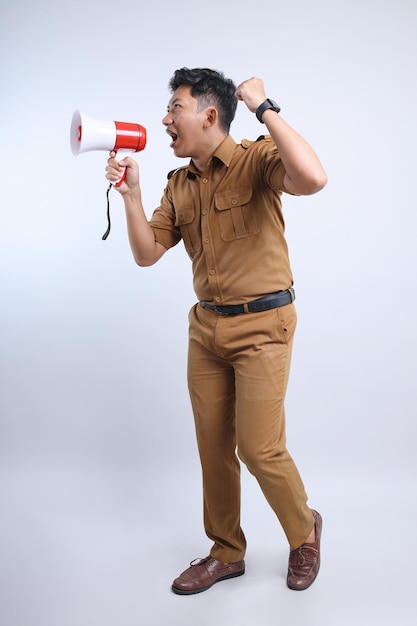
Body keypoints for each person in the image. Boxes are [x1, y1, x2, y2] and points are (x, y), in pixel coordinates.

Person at [106, 67, 327, 594]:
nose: (165, 119)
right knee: (213, 447)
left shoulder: (256, 160)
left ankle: (304, 532)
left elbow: (314, 179)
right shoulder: (179, 184)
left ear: (210, 114)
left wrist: (264, 107)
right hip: (206, 331)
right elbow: (146, 253)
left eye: (174, 109)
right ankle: (226, 551)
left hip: (263, 327)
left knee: (258, 447)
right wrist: (131, 194)